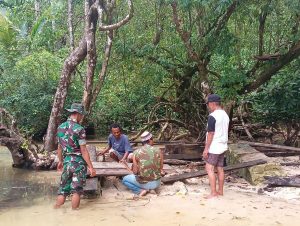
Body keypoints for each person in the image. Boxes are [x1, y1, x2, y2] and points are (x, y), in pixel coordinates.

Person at [54, 103, 96, 210]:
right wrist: (91, 167)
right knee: (76, 190)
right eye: (82, 115)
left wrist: (60, 161)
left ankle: (56, 210)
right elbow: (83, 150)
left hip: (67, 161)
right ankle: (75, 214)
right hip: (78, 163)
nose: (82, 117)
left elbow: (59, 148)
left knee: (63, 189)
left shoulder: (60, 127)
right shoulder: (79, 129)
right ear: (78, 114)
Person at [203, 94, 229, 199]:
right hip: (223, 145)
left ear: (213, 103)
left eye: (209, 104)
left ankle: (213, 192)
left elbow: (211, 133)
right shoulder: (225, 115)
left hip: (214, 146)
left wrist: (206, 148)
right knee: (220, 168)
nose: (208, 106)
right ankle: (220, 191)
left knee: (209, 168)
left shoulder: (212, 116)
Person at [122, 131, 164, 197]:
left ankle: (140, 191)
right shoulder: (159, 150)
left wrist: (127, 166)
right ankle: (150, 189)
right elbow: (161, 168)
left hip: (145, 183)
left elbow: (135, 172)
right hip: (157, 183)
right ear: (150, 139)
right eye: (152, 139)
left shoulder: (136, 152)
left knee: (124, 179)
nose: (153, 141)